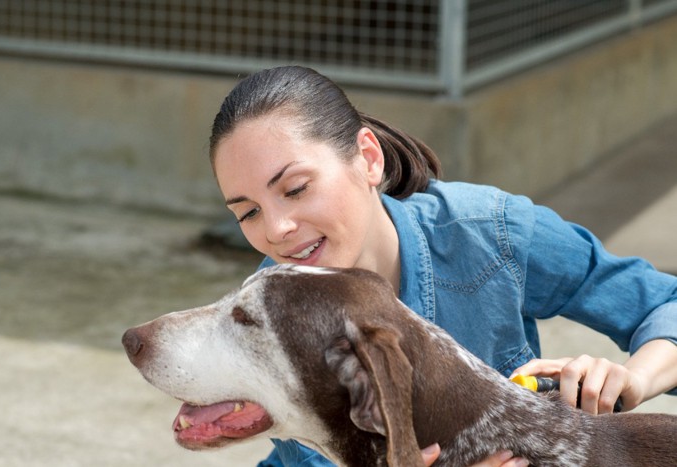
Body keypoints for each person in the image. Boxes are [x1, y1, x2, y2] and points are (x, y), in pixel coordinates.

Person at [208, 65, 677, 467]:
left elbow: (663, 303)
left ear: (368, 159)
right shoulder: (271, 315)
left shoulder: (488, 231)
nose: (277, 229)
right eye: (247, 212)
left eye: (294, 189)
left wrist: (635, 378)